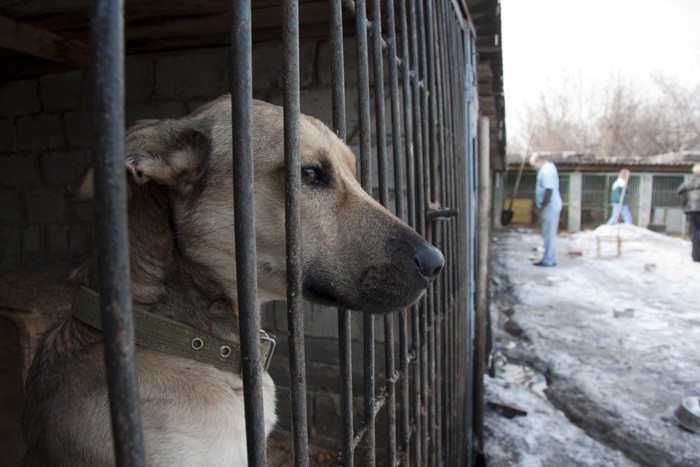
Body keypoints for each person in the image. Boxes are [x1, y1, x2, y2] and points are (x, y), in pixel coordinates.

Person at [529, 154, 562, 267]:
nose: (534, 168)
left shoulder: (546, 170)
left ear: (539, 161)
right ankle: (549, 257)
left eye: (534, 165)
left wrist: (543, 204)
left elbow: (549, 189)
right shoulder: (549, 168)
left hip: (550, 206)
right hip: (551, 206)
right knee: (548, 233)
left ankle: (548, 260)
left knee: (549, 234)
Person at [677, 163, 700, 262]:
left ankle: (695, 256)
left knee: (695, 233)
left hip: (690, 210)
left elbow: (679, 191)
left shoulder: (689, 182)